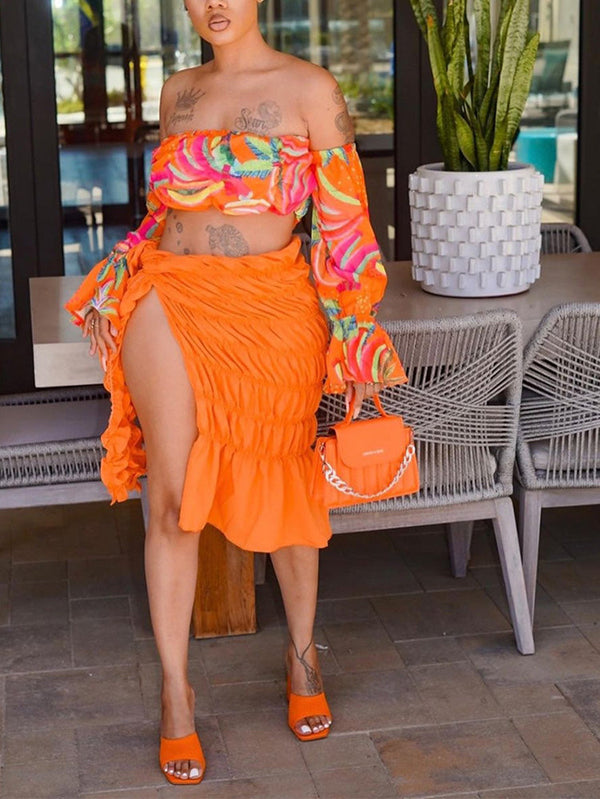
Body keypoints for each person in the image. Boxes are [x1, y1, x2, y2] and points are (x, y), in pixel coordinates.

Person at [66, 0, 406, 787]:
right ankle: (175, 692)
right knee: (170, 495)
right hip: (170, 293)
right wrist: (118, 276)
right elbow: (163, 210)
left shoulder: (311, 90)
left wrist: (354, 332)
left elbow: (344, 224)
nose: (214, 4)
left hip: (271, 307)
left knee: (285, 478)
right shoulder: (177, 92)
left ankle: (302, 656)